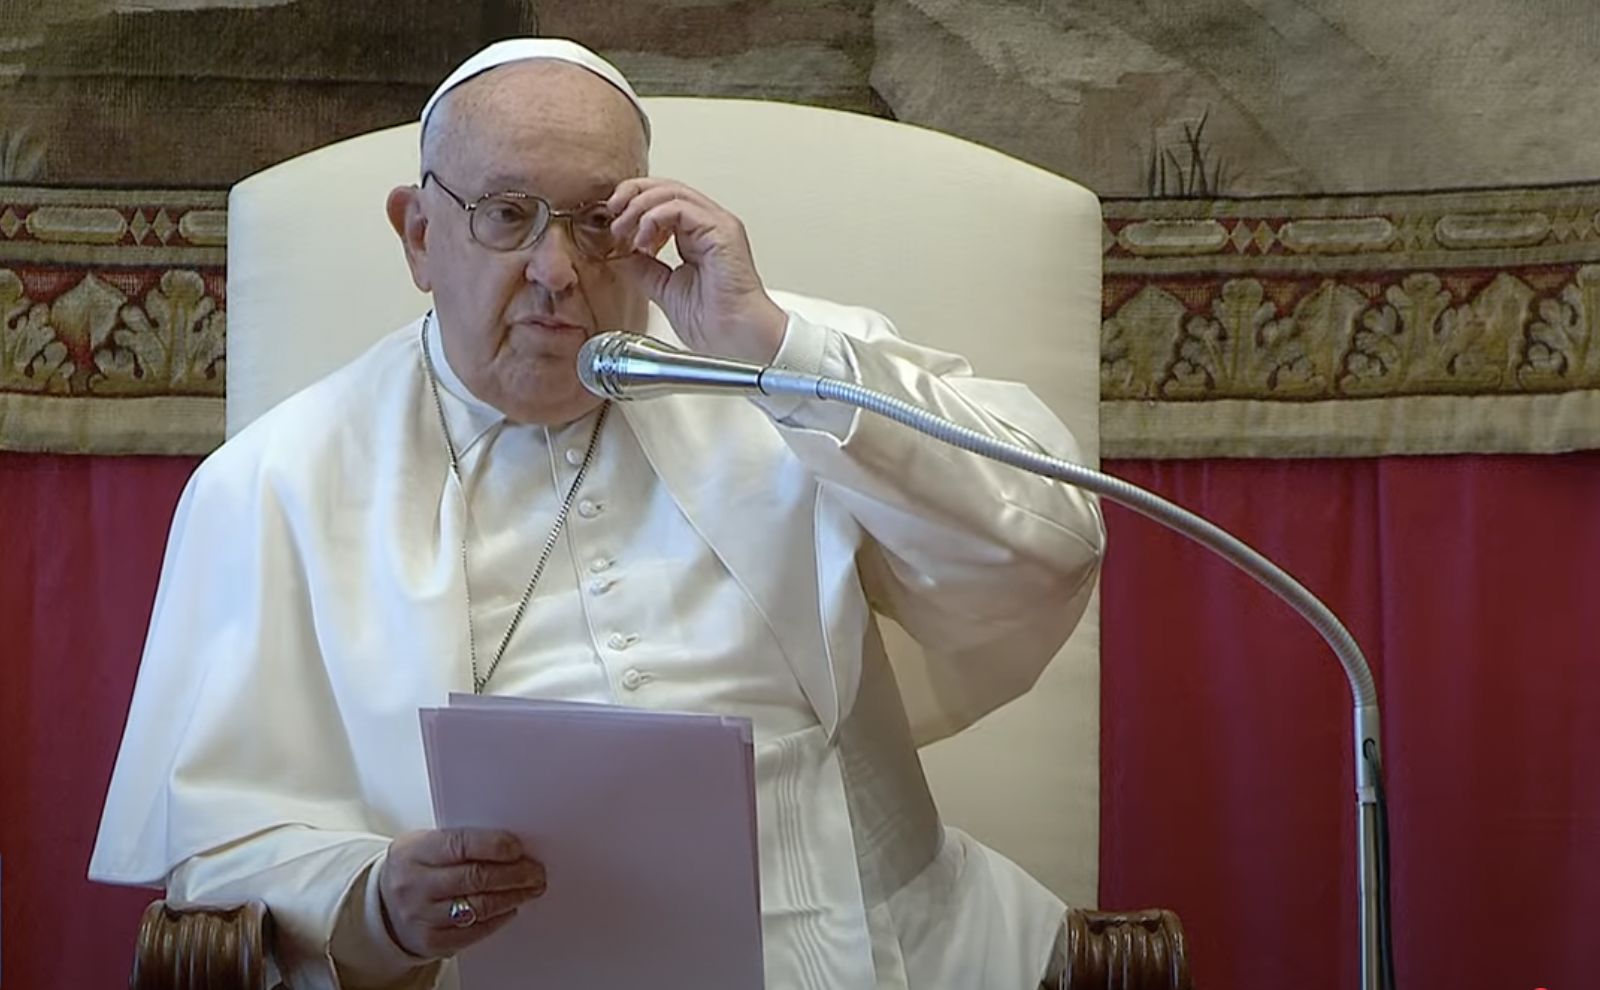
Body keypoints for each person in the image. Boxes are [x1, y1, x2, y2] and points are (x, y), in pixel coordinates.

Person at [90, 38, 1103, 990]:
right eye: (504, 213)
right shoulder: (276, 479)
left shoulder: (784, 366)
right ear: (418, 235)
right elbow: (221, 847)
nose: (556, 271)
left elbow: (1048, 543)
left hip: (884, 950)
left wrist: (777, 357)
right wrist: (376, 905)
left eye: (593, 219)